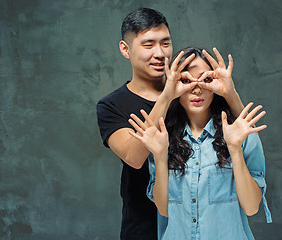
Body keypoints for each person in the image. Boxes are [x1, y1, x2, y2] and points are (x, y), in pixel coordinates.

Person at [96, 8, 245, 239]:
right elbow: (135, 158)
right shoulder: (112, 106)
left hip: (200, 223)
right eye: (148, 45)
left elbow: (242, 135)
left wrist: (230, 94)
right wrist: (167, 96)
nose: (160, 53)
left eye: (165, 43)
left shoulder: (193, 91)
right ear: (125, 49)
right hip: (143, 225)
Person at [128, 47, 272, 239]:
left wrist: (235, 149)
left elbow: (252, 207)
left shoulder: (240, 132)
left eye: (206, 80)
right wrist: (160, 155)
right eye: (186, 81)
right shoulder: (162, 137)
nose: (196, 88)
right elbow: (164, 210)